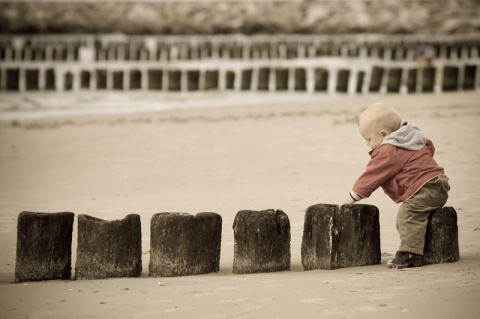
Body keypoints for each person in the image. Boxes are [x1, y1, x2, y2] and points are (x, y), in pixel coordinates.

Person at [343, 102, 450, 269]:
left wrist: (353, 197)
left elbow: (373, 175)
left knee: (408, 216)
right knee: (419, 215)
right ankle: (421, 247)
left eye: (368, 139)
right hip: (439, 182)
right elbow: (429, 148)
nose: (367, 144)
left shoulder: (389, 150)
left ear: (384, 134)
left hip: (424, 188)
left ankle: (410, 254)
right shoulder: (411, 138)